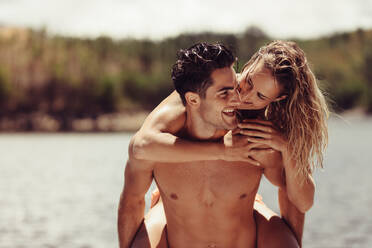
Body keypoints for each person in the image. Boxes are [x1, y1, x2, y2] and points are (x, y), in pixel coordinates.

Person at [118, 41, 329, 248]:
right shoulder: (196, 93)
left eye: (260, 96)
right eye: (248, 82)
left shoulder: (265, 130)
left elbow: (299, 201)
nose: (241, 97)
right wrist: (223, 151)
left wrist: (287, 147)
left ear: (276, 98)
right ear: (247, 66)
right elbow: (141, 147)